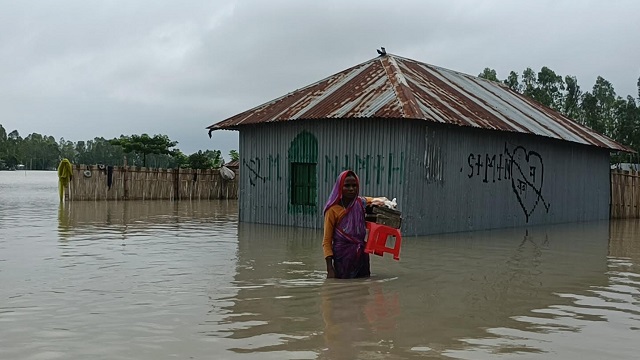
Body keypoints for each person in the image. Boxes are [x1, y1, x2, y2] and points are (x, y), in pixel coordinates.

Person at [323, 170, 387, 279]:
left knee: (363, 289)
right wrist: (330, 269)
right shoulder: (333, 210)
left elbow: (377, 200)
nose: (351, 189)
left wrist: (385, 202)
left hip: (362, 255)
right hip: (343, 257)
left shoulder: (360, 202)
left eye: (354, 185)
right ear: (339, 187)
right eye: (347, 186)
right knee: (342, 290)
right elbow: (326, 241)